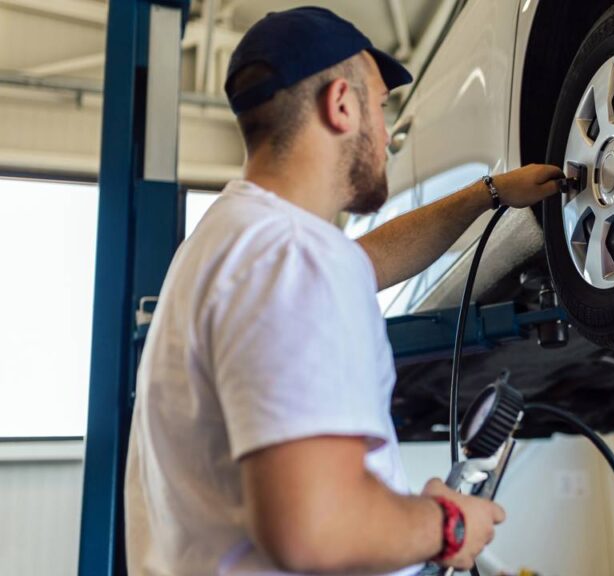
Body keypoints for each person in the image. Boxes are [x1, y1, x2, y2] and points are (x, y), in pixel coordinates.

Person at [124, 7, 564, 576]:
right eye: (381, 107)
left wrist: (489, 194)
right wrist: (447, 525)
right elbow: (312, 529)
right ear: (340, 105)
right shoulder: (293, 257)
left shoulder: (231, 243)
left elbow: (367, 262)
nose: (387, 133)